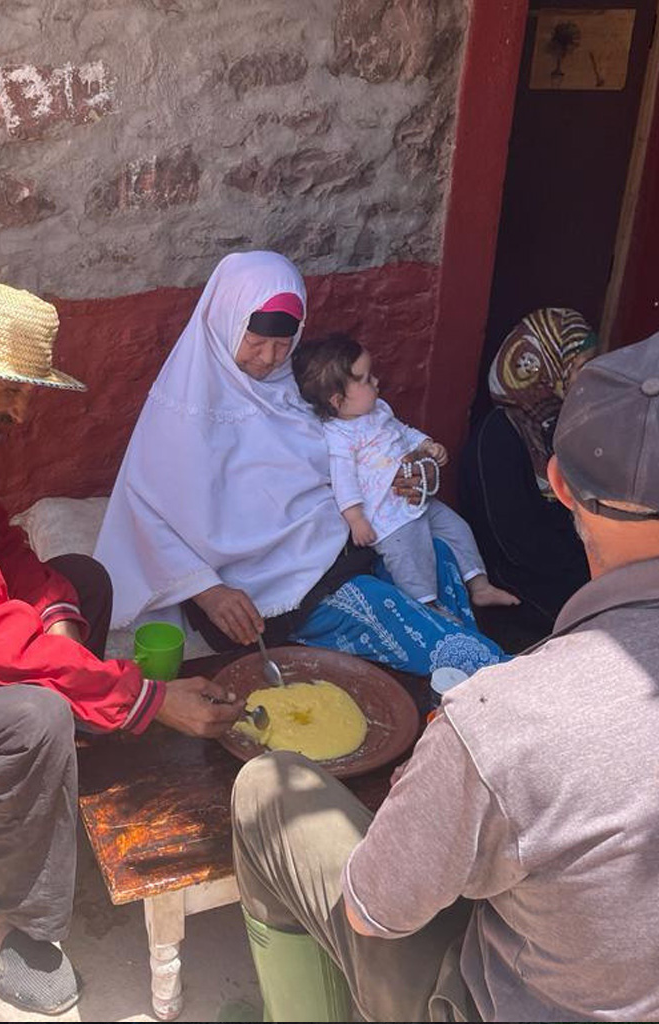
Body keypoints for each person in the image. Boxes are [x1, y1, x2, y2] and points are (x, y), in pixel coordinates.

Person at [231, 331, 659, 1022]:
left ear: (557, 484)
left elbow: (377, 910)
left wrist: (446, 781)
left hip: (510, 1003)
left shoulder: (503, 717)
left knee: (264, 789)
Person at [0, 277, 241, 1015]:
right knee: (36, 719)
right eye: (10, 392)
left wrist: (56, 611)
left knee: (78, 583)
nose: (22, 412)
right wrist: (144, 698)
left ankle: (12, 806)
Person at [94, 251, 506, 678]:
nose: (270, 358)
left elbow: (359, 449)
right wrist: (208, 592)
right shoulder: (181, 412)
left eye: (283, 343)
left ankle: (459, 686)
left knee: (439, 558)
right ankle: (502, 685)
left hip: (350, 546)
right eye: (255, 341)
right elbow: (144, 512)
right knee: (422, 632)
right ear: (225, 321)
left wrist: (397, 475)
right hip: (275, 594)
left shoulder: (300, 388)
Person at [292, 333, 519, 610]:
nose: (375, 382)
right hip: (388, 518)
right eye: (365, 379)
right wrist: (355, 519)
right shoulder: (339, 437)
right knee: (412, 558)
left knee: (458, 529)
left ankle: (480, 585)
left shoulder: (379, 410)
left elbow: (402, 432)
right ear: (337, 401)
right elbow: (344, 480)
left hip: (417, 499)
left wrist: (426, 444)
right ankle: (428, 607)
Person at [459, 307, 597, 628]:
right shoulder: (498, 436)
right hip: (518, 582)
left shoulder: (563, 424)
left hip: (570, 564)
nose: (590, 379)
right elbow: (515, 542)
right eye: (581, 367)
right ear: (544, 365)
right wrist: (587, 570)